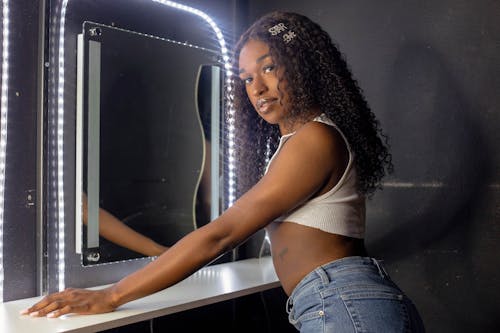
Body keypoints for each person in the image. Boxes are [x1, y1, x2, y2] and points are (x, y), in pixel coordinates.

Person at [23, 11, 425, 332]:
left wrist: (111, 295)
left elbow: (223, 233)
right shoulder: (297, 142)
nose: (257, 88)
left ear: (302, 67)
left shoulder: (315, 139)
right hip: (338, 303)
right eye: (247, 77)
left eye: (269, 68)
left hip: (344, 304)